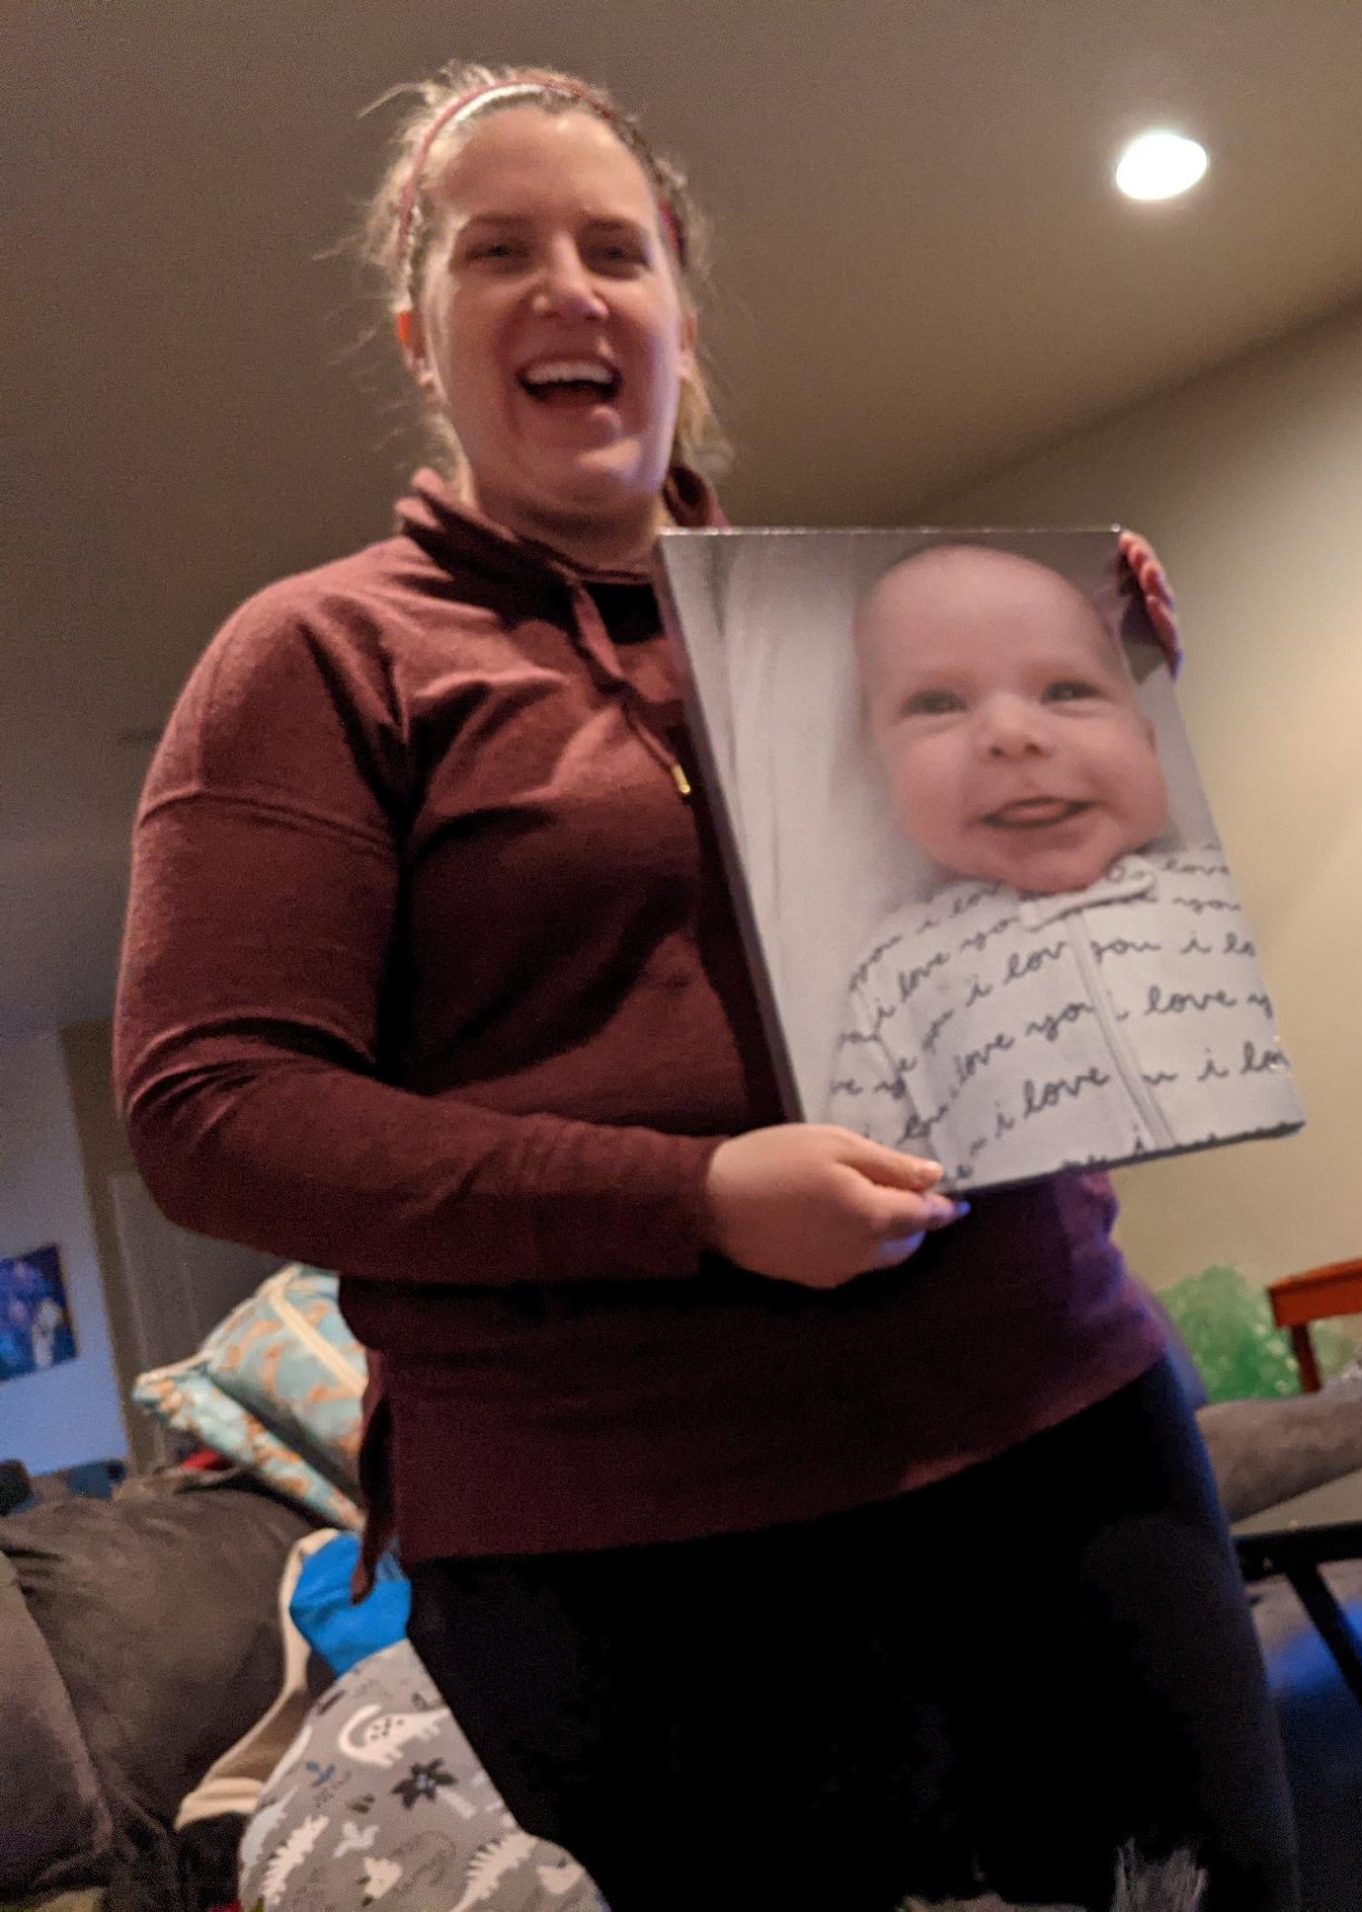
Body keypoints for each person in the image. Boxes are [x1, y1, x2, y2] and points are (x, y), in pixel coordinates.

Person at [114, 63, 1295, 1912]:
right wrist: (692, 1201)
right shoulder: (319, 655)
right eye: (497, 251)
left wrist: (1085, 695)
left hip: (1063, 1417)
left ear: (681, 316)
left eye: (615, 248)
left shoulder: (866, 632)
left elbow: (1001, 970)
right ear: (417, 330)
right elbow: (211, 1108)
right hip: (626, 1549)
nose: (566, 288)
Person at [828, 541, 1300, 1189]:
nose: (1011, 733)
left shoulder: (1215, 883)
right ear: (873, 776)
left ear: (1150, 737)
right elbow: (864, 1163)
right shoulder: (895, 968)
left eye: (1067, 690)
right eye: (938, 704)